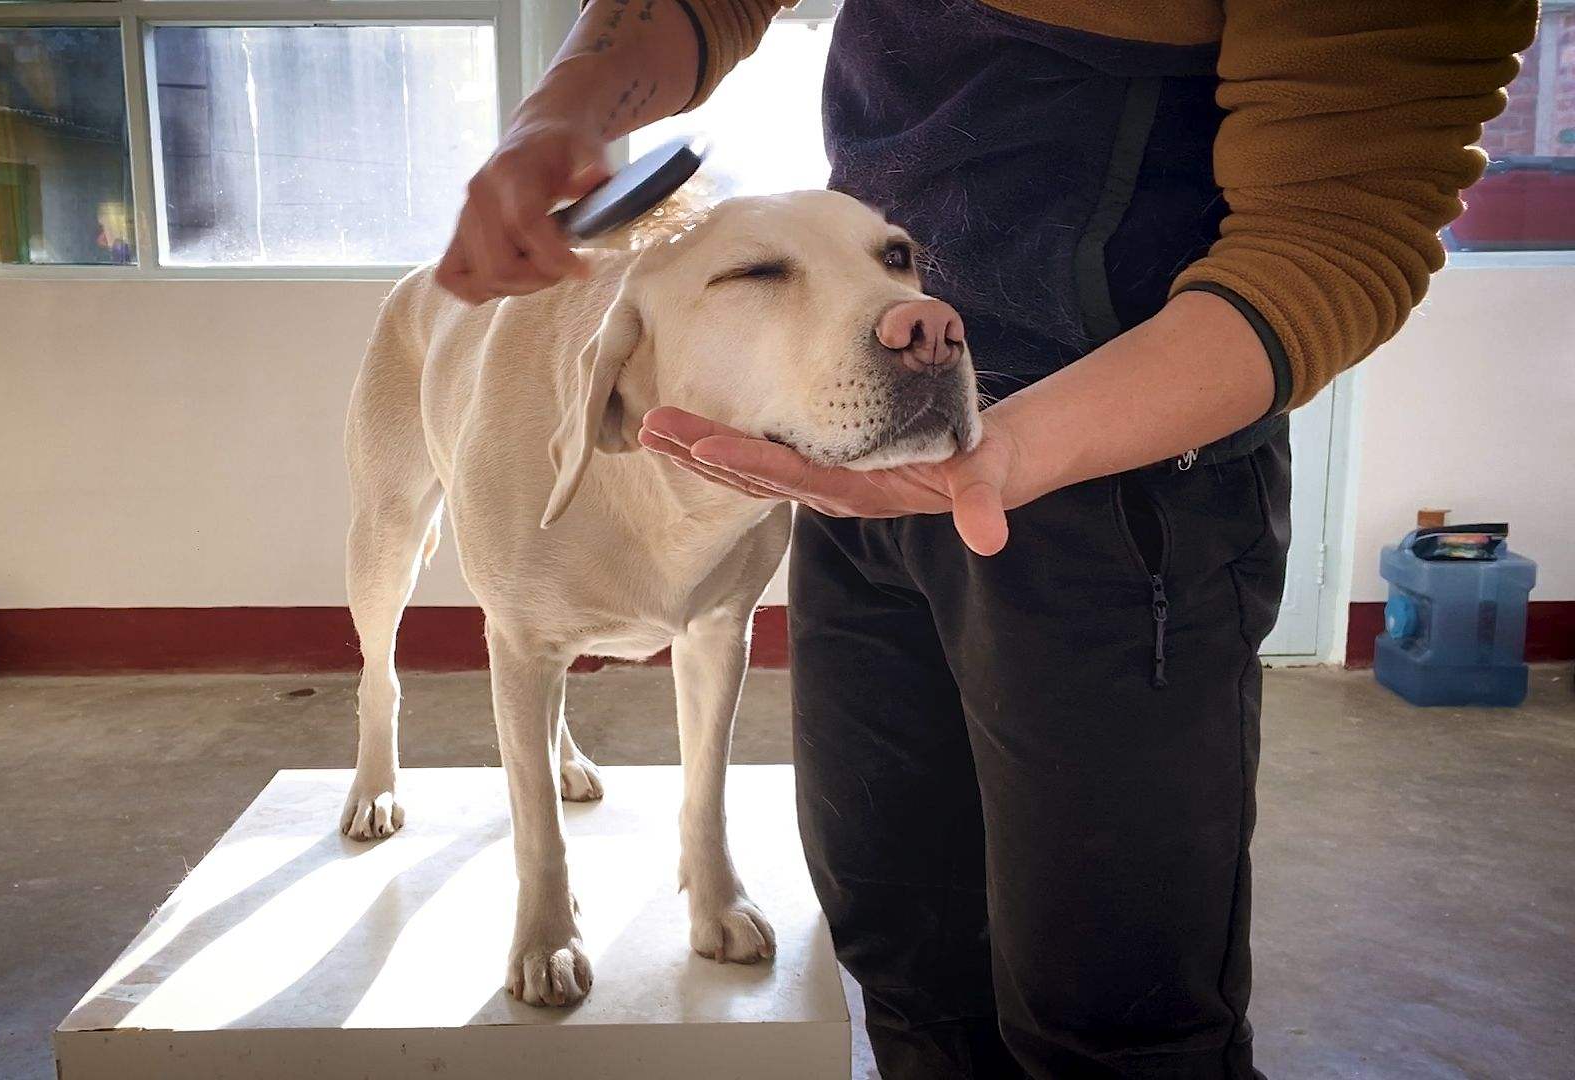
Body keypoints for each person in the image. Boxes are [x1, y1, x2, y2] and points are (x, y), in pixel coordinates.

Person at [434, 2, 1536, 1075]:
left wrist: (1003, 451)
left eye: (900, 265)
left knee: (1109, 1011)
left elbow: (1338, 233)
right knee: (900, 948)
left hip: (1127, 498)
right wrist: (570, 104)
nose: (921, 308)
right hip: (854, 477)